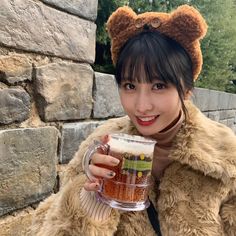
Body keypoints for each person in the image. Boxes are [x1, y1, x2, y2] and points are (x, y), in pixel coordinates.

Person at [30, 5, 236, 236]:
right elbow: (48, 225)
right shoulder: (100, 147)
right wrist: (92, 200)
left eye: (159, 86)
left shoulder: (227, 156)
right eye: (130, 86)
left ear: (186, 89)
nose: (141, 106)